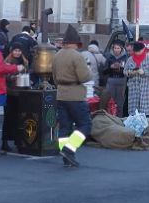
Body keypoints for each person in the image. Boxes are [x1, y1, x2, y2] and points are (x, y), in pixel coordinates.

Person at [52, 27, 91, 168]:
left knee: (64, 127)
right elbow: (85, 77)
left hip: (61, 93)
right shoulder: (77, 56)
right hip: (75, 94)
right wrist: (89, 71)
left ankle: (66, 156)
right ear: (76, 43)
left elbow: (54, 77)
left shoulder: (57, 55)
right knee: (85, 125)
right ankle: (69, 149)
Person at [1, 44, 30, 152]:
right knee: (8, 118)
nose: (17, 52)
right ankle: (5, 141)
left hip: (22, 93)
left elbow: (27, 73)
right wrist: (14, 77)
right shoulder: (7, 61)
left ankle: (18, 141)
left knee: (20, 118)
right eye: (15, 50)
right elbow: (4, 76)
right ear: (12, 51)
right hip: (11, 93)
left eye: (19, 50)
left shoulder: (24, 62)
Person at [124, 41, 149, 118]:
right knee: (133, 110)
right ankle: (132, 126)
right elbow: (125, 71)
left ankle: (144, 127)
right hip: (133, 88)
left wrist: (144, 72)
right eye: (136, 51)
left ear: (143, 50)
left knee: (144, 111)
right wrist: (129, 73)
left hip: (145, 88)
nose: (138, 53)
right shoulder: (130, 59)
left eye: (139, 51)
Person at [99, 41, 128, 116]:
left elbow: (128, 70)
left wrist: (121, 68)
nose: (116, 50)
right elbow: (104, 71)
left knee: (120, 101)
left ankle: (119, 117)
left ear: (121, 49)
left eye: (118, 48)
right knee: (109, 99)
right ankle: (109, 116)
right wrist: (110, 67)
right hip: (111, 79)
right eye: (115, 48)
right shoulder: (109, 57)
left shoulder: (125, 57)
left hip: (121, 80)